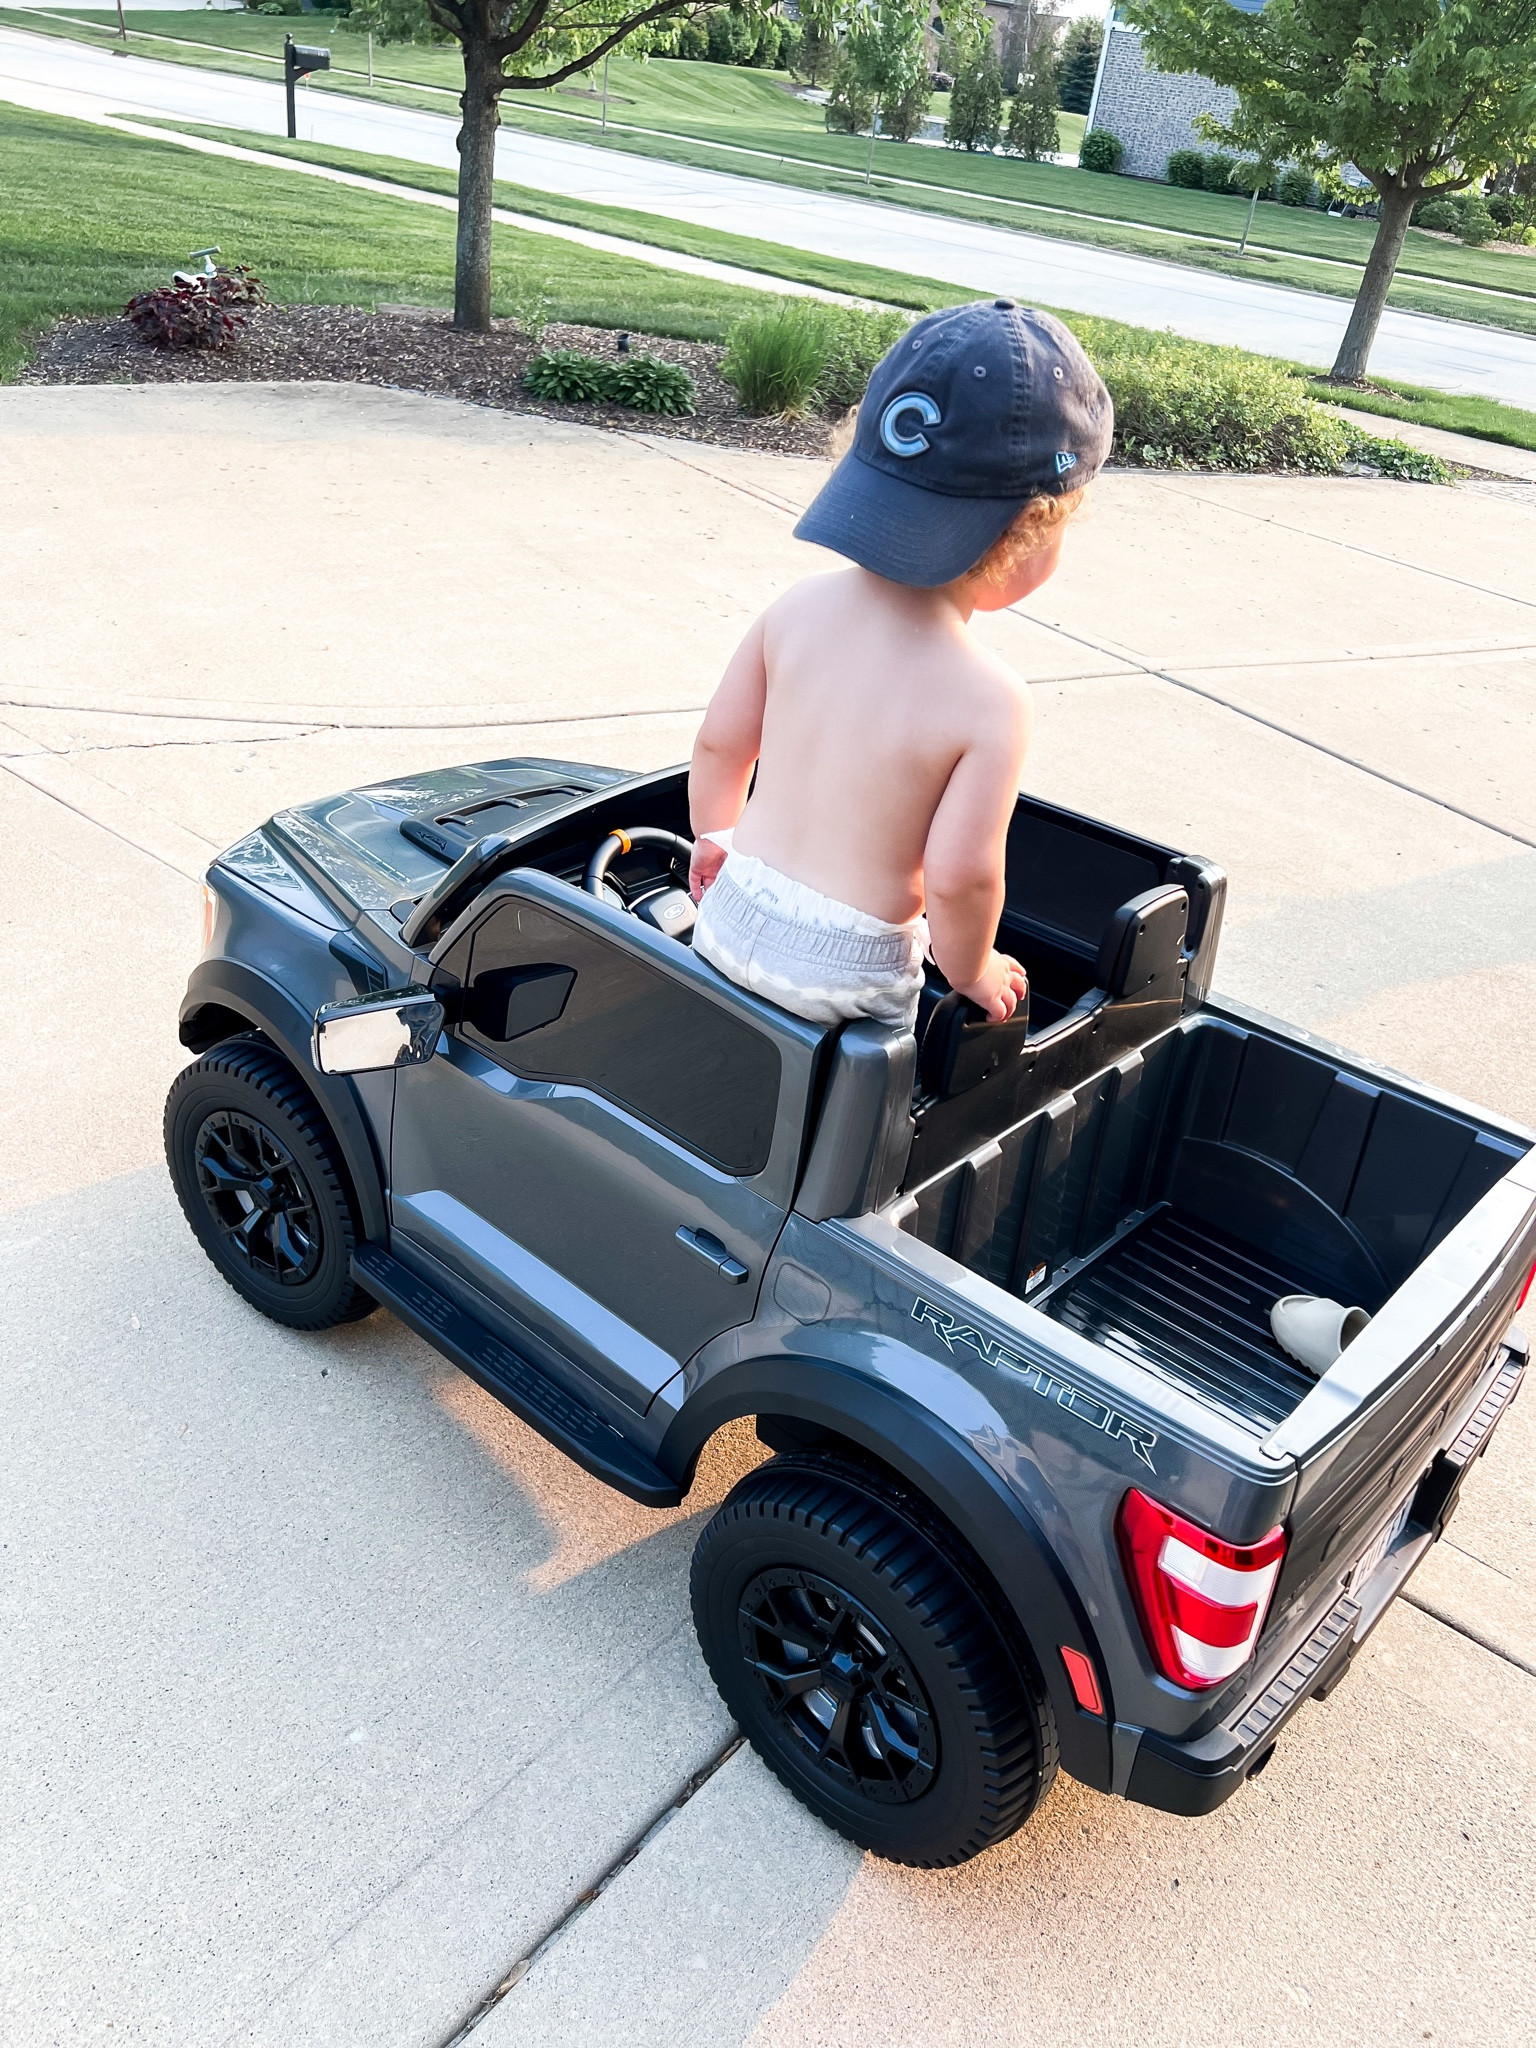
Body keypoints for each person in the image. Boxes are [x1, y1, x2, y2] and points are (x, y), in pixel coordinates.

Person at [687, 298, 1113, 1031]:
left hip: (725, 920)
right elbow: (960, 879)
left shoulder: (796, 608)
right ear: (1031, 533)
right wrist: (973, 969)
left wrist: (717, 843)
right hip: (847, 970)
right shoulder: (990, 701)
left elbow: (722, 746)